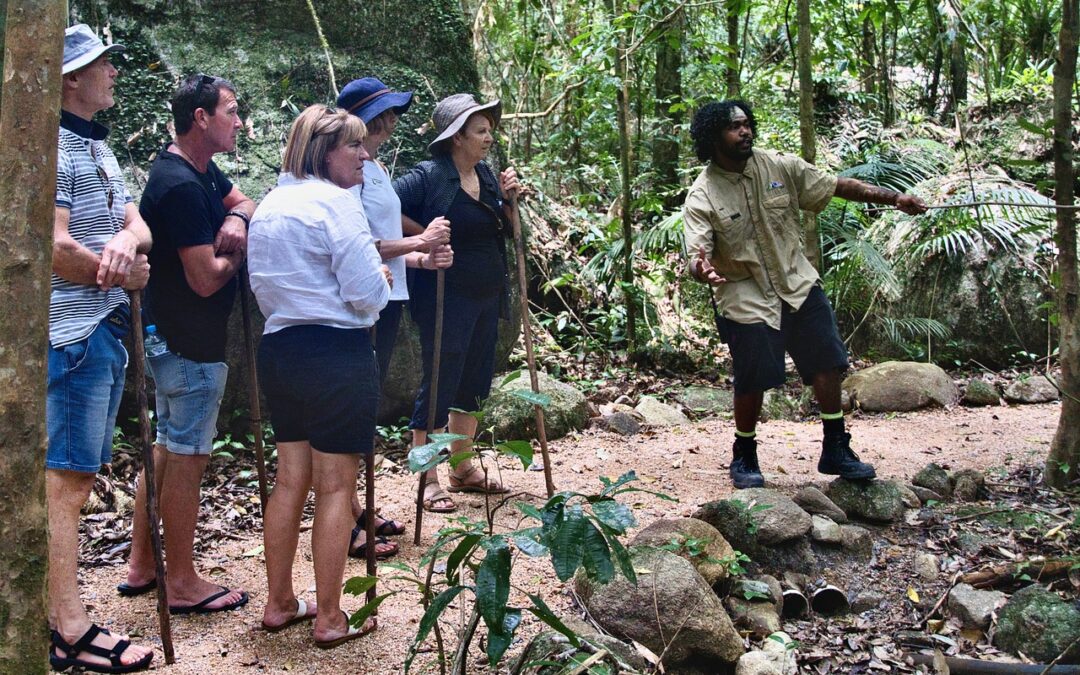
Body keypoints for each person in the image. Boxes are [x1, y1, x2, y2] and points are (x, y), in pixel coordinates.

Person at [683, 100, 928, 489]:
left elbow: (835, 186)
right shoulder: (703, 195)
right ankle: (744, 454)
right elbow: (696, 252)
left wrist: (894, 199)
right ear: (713, 137)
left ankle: (836, 447)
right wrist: (702, 268)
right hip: (746, 293)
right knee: (753, 376)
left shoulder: (779, 166)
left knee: (827, 362)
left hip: (796, 282)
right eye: (734, 127)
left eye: (747, 124)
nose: (745, 132)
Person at [249, 104, 391, 647]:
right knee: (335, 486)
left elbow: (265, 287)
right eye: (352, 146)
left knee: (290, 480)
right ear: (323, 152)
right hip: (335, 352)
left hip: (281, 348)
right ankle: (331, 616)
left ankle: (280, 600)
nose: (363, 154)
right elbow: (364, 293)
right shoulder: (336, 205)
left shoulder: (270, 205)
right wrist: (379, 278)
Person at [121, 74, 254, 614]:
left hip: (173, 339)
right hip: (187, 342)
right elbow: (204, 277)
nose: (239, 121)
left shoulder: (196, 168)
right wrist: (238, 257)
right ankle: (181, 580)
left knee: (168, 449)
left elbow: (243, 200)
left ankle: (141, 564)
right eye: (230, 111)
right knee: (189, 457)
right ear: (201, 117)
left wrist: (239, 219)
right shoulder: (177, 184)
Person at [47, 24, 154, 673]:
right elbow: (54, 248)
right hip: (73, 335)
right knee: (68, 479)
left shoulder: (98, 147)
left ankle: (63, 614)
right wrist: (119, 269)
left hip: (104, 328)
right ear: (71, 80)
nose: (112, 73)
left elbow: (133, 219)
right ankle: (68, 627)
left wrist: (128, 245)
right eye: (101, 65)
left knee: (77, 475)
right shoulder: (54, 147)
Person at [336, 77, 454, 558]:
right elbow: (359, 242)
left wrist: (421, 257)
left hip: (389, 296)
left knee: (364, 402)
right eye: (384, 113)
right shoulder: (345, 175)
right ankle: (342, 516)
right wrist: (418, 243)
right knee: (351, 406)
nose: (392, 120)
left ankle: (356, 505)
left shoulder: (376, 168)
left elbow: (386, 230)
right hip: (364, 300)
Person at [393, 93, 521, 513]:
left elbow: (505, 230)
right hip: (445, 298)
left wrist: (510, 201)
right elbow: (383, 207)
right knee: (440, 380)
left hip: (485, 297)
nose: (489, 138)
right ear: (456, 137)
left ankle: (462, 468)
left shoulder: (483, 175)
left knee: (474, 380)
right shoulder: (430, 175)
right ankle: (426, 477)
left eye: (489, 130)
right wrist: (423, 237)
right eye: (480, 131)